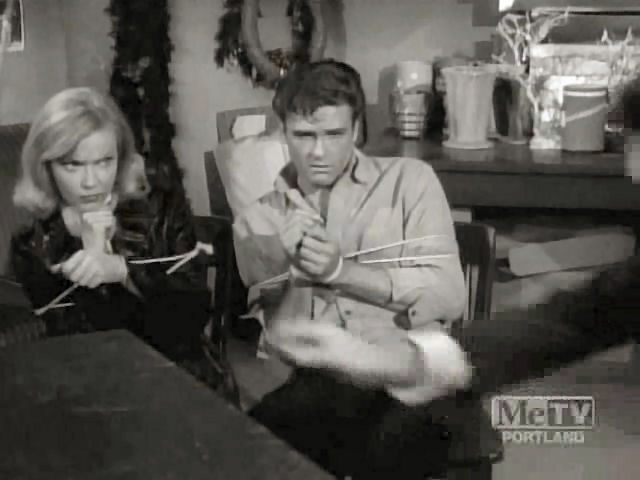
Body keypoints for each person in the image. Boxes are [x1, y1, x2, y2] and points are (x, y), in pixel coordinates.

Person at [231, 60, 496, 479]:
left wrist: (340, 271)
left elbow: (449, 295)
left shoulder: (410, 180)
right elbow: (281, 342)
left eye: (334, 134)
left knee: (435, 441)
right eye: (304, 135)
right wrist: (301, 274)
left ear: (356, 130)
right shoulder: (257, 221)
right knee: (239, 454)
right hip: (323, 387)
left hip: (413, 369)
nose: (318, 152)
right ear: (283, 132)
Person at [11, 87, 221, 390]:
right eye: (72, 165)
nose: (91, 181)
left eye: (104, 161)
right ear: (46, 167)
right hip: (93, 387)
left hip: (180, 376)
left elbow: (192, 319)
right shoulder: (33, 243)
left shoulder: (160, 207)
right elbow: (65, 345)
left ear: (121, 159)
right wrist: (90, 260)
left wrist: (122, 271)